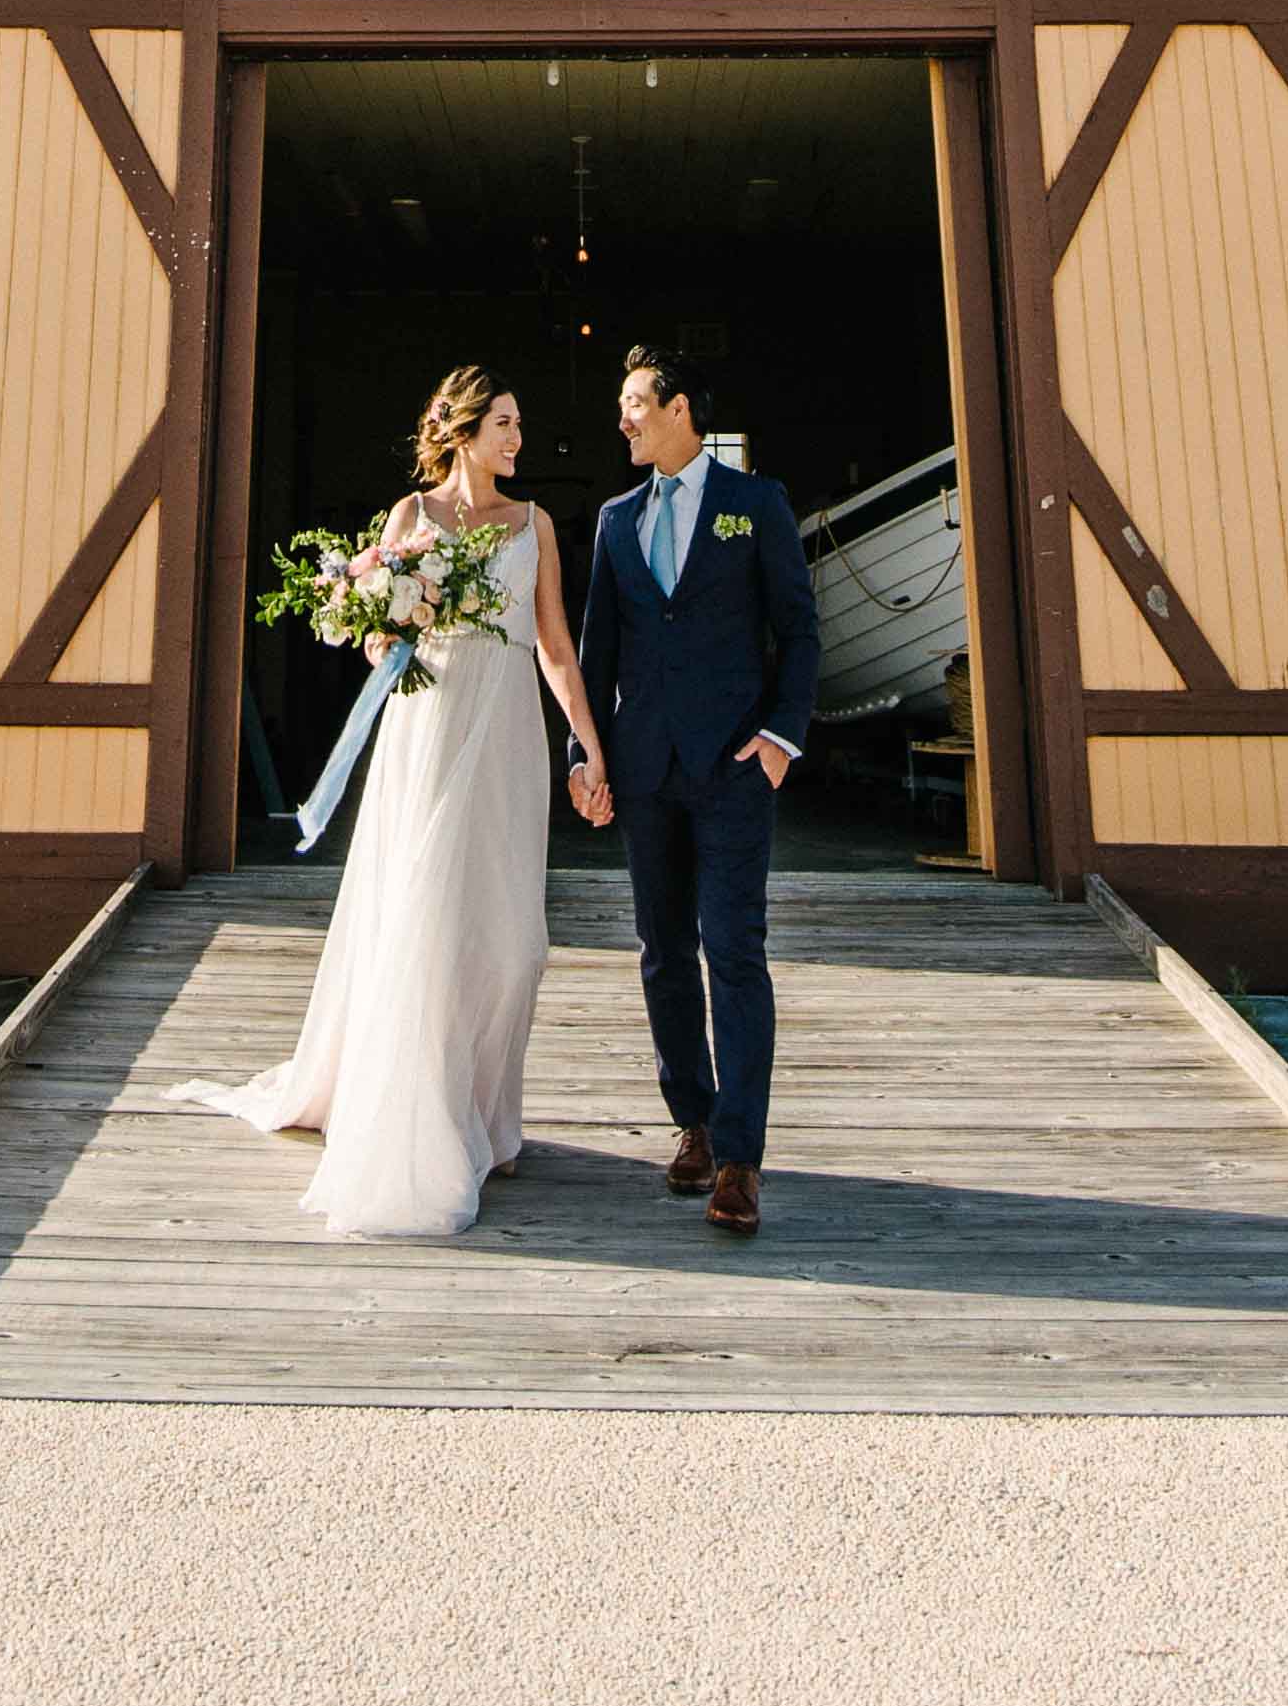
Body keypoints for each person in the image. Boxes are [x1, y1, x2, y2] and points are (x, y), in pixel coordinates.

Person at [172, 366, 607, 1240]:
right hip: (430, 730)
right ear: (464, 429)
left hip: (508, 735)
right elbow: (375, 641)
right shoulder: (409, 518)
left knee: (512, 938)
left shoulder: (536, 524)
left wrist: (587, 743)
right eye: (507, 424)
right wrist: (392, 623)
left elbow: (555, 643)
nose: (520, 439)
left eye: (520, 424)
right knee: (428, 920)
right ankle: (432, 1118)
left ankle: (491, 1117)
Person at [569, 341, 818, 1235]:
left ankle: (742, 1158)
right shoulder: (612, 518)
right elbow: (596, 655)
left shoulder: (755, 506)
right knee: (663, 952)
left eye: (636, 401)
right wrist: (583, 754)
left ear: (680, 409)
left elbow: (798, 626)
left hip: (735, 771)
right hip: (643, 773)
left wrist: (781, 737)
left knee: (733, 950)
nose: (624, 417)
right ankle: (695, 1123)